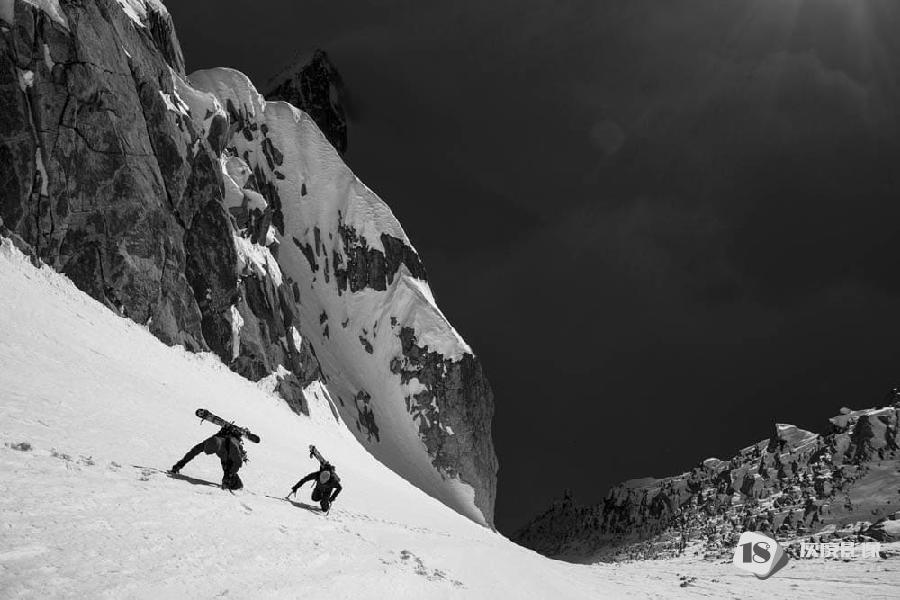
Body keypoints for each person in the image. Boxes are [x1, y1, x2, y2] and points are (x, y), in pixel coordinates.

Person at [170, 425, 247, 490]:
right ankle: (229, 480)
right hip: (224, 455)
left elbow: (238, 462)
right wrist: (181, 463)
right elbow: (193, 452)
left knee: (231, 481)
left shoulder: (232, 446)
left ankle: (238, 486)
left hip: (232, 458)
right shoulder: (210, 442)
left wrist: (229, 474)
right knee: (226, 473)